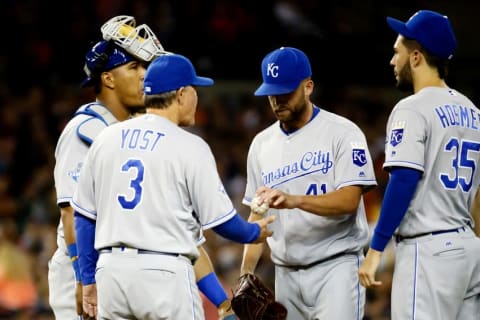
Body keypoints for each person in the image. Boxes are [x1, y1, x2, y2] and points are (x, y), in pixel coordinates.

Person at [48, 15, 235, 320]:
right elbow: (72, 215)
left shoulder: (142, 135)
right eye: (134, 67)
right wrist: (84, 281)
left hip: (127, 277)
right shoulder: (84, 130)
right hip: (83, 273)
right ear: (108, 78)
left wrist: (222, 302)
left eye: (144, 67)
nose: (144, 75)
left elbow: (180, 235)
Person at [71, 52, 276, 319]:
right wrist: (253, 232)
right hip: (164, 276)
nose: (196, 97)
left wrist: (88, 281)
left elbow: (84, 217)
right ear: (181, 94)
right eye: (194, 90)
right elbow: (223, 223)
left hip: (112, 274)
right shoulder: (190, 145)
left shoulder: (106, 138)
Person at [359, 10, 480, 319]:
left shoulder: (412, 108)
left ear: (416, 58)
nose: (392, 61)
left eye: (396, 52)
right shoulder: (473, 111)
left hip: (429, 253)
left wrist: (375, 250)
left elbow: (403, 179)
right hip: (469, 249)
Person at [240, 46, 377, 320]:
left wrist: (294, 200)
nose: (278, 100)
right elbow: (258, 215)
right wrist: (245, 272)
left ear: (308, 86)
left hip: (336, 267)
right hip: (286, 273)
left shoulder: (342, 132)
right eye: (271, 94)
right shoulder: (261, 145)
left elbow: (350, 201)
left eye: (285, 92)